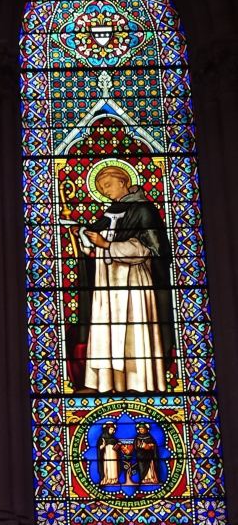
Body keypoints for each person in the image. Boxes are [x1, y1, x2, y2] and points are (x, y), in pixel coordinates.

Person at [72, 165, 173, 393]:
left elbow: (147, 249)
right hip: (107, 283)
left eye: (108, 185)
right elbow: (99, 244)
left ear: (123, 181)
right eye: (101, 189)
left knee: (132, 332)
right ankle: (105, 384)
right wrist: (85, 239)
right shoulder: (111, 213)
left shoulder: (144, 210)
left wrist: (106, 244)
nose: (106, 192)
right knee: (107, 332)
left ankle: (139, 384)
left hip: (133, 281)